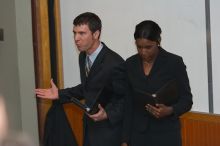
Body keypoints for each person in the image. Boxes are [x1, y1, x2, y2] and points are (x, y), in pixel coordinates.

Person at [35, 12, 125, 146]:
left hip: (109, 133)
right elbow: (87, 87)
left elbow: (125, 99)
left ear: (96, 34)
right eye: (74, 33)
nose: (76, 38)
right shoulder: (83, 56)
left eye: (82, 33)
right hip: (89, 128)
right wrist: (59, 94)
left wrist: (107, 114)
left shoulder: (114, 62)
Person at [121, 20, 193, 146]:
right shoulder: (130, 64)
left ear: (158, 42)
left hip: (166, 135)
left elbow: (187, 100)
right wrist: (125, 140)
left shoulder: (174, 62)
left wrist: (170, 110)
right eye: (139, 47)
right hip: (138, 136)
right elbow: (128, 103)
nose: (143, 52)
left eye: (148, 47)